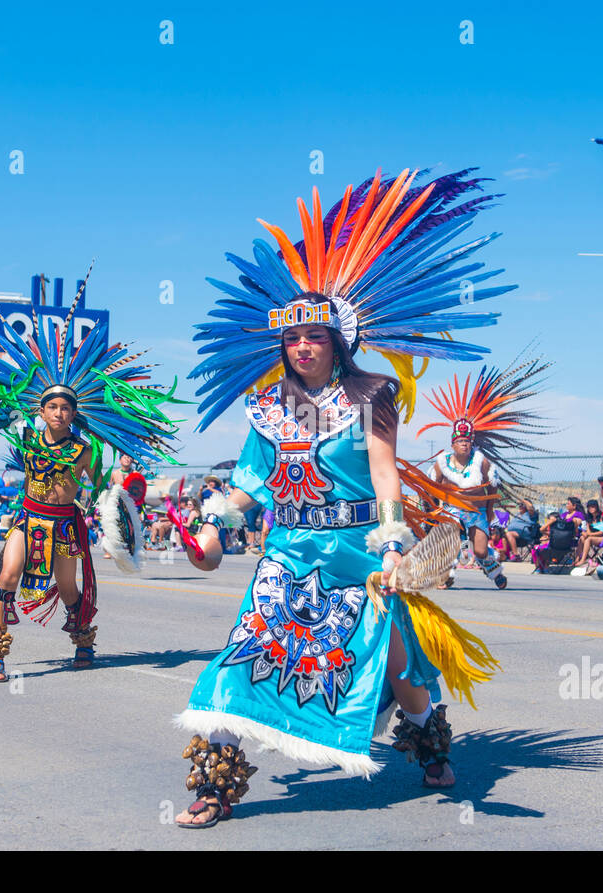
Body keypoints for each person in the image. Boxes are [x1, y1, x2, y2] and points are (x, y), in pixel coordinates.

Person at [172, 166, 511, 827]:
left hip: (359, 552)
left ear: (337, 341)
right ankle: (214, 783)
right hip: (288, 551)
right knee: (244, 655)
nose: (302, 347)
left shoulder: (372, 396)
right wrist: (215, 527)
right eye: (292, 337)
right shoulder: (266, 408)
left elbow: (385, 473)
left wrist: (392, 545)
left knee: (397, 665)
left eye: (314, 336)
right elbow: (248, 486)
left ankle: (428, 742)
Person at [0, 272, 180, 680]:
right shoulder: (28, 438)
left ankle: (83, 640)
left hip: (66, 525)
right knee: (8, 575)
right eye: (51, 406)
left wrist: (117, 517)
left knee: (69, 590)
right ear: (42, 410)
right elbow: (0, 409)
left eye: (65, 408)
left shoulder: (84, 449)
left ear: (74, 414)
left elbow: (104, 487)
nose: (58, 413)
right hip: (28, 519)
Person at [418, 356, 548, 591]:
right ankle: (445, 575)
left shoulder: (482, 462)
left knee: (479, 550)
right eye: (460, 441)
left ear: (472, 442)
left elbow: (493, 486)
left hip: (476, 510)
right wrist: (431, 511)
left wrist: (489, 511)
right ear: (453, 443)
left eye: (467, 441)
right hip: (450, 510)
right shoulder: (442, 463)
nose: (464, 444)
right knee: (450, 544)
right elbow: (430, 487)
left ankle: (493, 569)